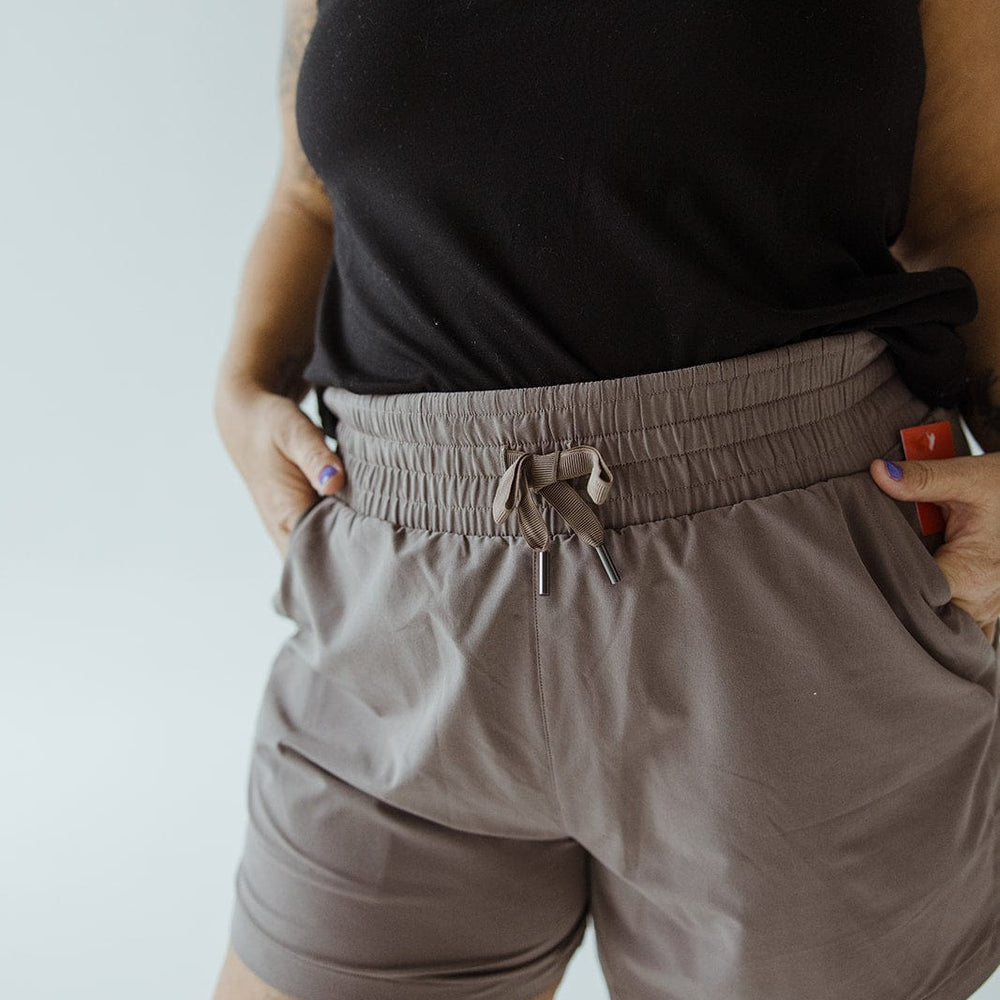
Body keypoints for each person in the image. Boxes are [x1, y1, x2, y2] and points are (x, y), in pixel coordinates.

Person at [210, 0, 1000, 997]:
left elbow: (971, 204)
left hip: (793, 604)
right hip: (397, 597)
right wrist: (242, 382)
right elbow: (309, 193)